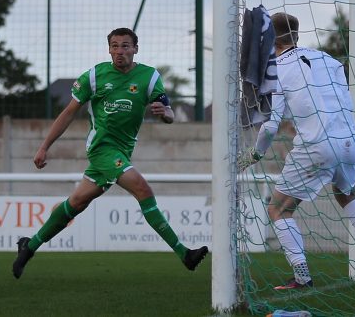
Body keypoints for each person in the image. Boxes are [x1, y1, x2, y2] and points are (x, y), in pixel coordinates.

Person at [12, 27, 209, 278]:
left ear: (135, 48)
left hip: (123, 152)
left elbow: (168, 112)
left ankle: (29, 246)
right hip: (101, 149)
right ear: (109, 49)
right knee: (143, 190)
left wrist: (167, 114)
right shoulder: (94, 76)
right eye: (114, 46)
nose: (119, 51)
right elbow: (68, 113)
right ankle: (184, 254)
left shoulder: (149, 78)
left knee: (77, 203)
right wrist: (44, 146)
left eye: (125, 46)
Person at [237, 12, 355, 289]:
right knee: (347, 195)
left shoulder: (275, 69)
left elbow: (271, 126)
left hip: (316, 144)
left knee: (278, 209)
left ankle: (301, 275)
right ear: (297, 35)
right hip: (349, 140)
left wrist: (255, 154)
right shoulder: (330, 60)